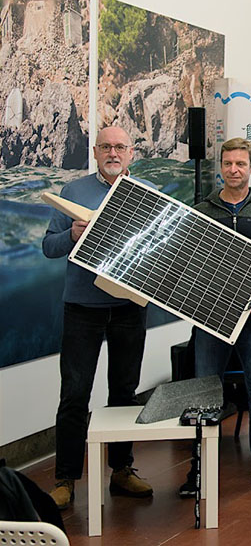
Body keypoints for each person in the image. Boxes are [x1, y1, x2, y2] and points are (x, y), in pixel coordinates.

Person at [42, 126, 154, 510]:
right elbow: (48, 247)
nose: (113, 152)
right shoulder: (73, 192)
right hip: (82, 309)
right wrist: (72, 235)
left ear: (131, 153)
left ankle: (122, 470)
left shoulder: (146, 196)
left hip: (128, 307)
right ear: (95, 151)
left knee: (124, 392)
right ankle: (66, 479)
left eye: (120, 147)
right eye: (106, 146)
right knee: (74, 394)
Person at [184, 137, 251, 494]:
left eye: (240, 164)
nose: (233, 170)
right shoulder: (202, 211)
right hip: (210, 319)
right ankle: (199, 469)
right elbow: (188, 263)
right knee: (203, 396)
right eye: (228, 164)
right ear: (221, 168)